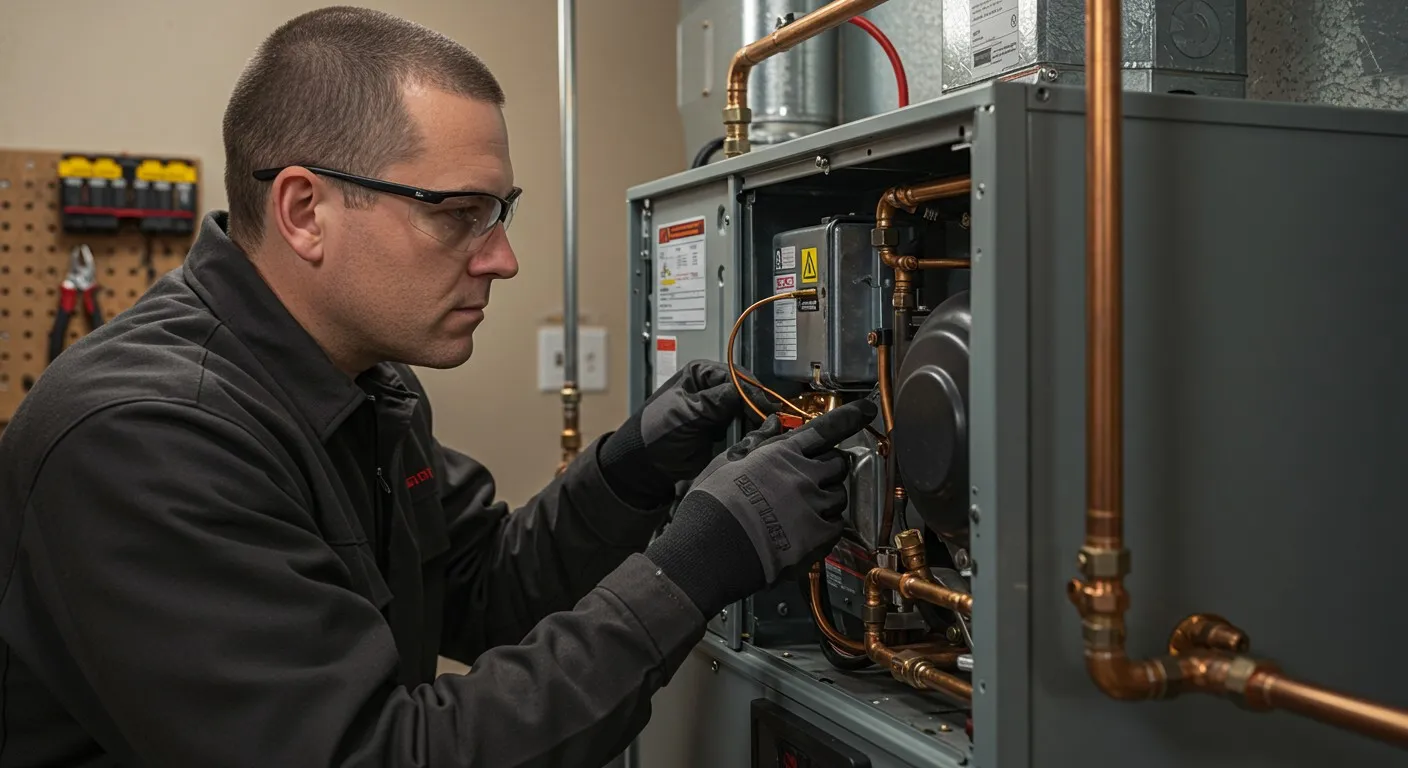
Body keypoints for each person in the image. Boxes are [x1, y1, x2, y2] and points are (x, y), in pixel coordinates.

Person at [0, 7, 876, 767]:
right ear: (305, 211)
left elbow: (483, 585)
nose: (501, 257)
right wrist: (695, 565)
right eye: (457, 215)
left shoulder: (360, 382)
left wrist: (630, 470)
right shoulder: (146, 437)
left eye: (500, 212)